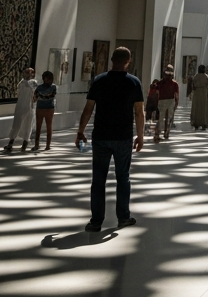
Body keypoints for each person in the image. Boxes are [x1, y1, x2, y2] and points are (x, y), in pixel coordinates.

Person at [76, 46, 143, 232]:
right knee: (123, 177)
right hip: (123, 137)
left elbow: (88, 108)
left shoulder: (99, 81)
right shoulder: (134, 83)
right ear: (128, 62)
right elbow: (139, 112)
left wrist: (80, 131)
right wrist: (141, 135)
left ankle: (96, 221)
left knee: (98, 179)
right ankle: (123, 217)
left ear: (111, 59)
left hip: (101, 136)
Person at [4, 67, 37, 153]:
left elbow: (36, 93)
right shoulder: (22, 82)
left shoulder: (33, 83)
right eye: (25, 72)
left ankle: (25, 143)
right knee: (16, 123)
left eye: (27, 72)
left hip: (29, 106)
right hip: (20, 105)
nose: (25, 73)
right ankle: (10, 143)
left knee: (28, 124)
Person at [33, 71, 57, 151]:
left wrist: (40, 96)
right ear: (44, 79)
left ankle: (48, 145)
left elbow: (51, 96)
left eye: (50, 79)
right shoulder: (39, 87)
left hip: (49, 108)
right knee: (38, 126)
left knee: (48, 126)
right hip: (40, 108)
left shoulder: (53, 87)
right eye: (47, 79)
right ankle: (36, 144)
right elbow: (35, 97)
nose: (49, 81)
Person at [156, 66, 180, 141]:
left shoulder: (159, 83)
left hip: (162, 100)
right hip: (171, 100)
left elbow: (157, 93)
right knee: (169, 118)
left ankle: (158, 133)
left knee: (161, 117)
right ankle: (167, 133)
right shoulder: (175, 84)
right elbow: (176, 94)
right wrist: (176, 102)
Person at [190, 64, 208, 130]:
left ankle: (195, 123)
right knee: (203, 109)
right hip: (204, 95)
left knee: (196, 108)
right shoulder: (206, 77)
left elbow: (193, 86)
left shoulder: (195, 77)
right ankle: (204, 123)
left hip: (196, 95)